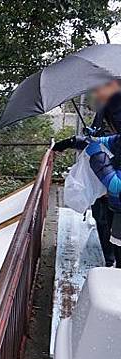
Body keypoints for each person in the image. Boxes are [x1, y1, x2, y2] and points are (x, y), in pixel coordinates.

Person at [54, 80, 121, 266]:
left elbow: (116, 185)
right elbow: (107, 141)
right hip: (114, 203)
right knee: (108, 230)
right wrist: (76, 141)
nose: (98, 93)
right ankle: (110, 264)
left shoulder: (115, 104)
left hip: (113, 193)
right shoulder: (108, 110)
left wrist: (97, 155)